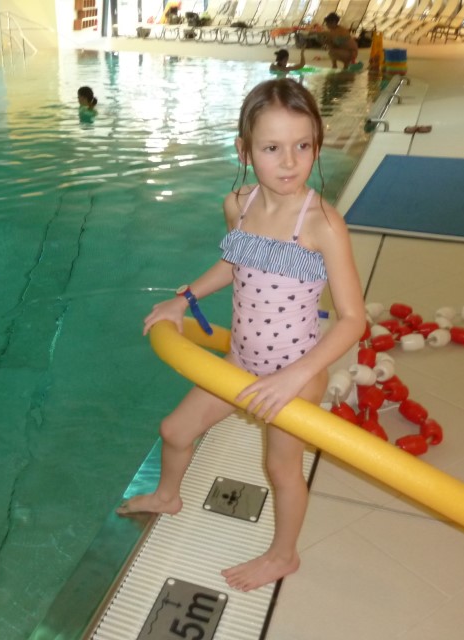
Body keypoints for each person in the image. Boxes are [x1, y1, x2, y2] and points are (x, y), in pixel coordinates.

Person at [117, 78, 366, 592]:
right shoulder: (239, 204)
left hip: (296, 373)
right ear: (245, 150)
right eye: (272, 148)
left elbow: (351, 319)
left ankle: (284, 555)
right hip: (240, 361)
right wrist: (183, 299)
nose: (290, 161)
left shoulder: (322, 224)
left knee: (281, 468)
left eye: (303, 145)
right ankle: (167, 496)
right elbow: (236, 263)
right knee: (174, 431)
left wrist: (294, 378)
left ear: (317, 145)